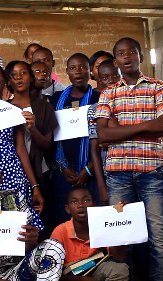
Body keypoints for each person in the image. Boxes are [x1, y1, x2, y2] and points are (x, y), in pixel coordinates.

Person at [95, 37, 163, 281]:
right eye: (121, 53)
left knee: (158, 237)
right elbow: (103, 133)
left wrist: (120, 128)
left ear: (141, 56)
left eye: (132, 52)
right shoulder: (109, 91)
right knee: (120, 239)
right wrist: (149, 124)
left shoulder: (158, 86)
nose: (127, 56)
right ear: (116, 60)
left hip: (151, 172)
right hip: (118, 174)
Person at [0, 61, 45, 229]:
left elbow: (20, 149)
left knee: (17, 229)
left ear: (5, 81)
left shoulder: (13, 109)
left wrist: (34, 186)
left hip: (13, 176)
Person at [49, 53, 105, 231]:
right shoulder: (56, 99)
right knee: (63, 219)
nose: (78, 72)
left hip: (92, 168)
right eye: (73, 68)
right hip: (64, 171)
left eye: (83, 67)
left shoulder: (99, 98)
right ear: (67, 72)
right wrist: (62, 167)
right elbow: (53, 136)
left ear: (90, 71)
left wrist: (88, 169)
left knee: (93, 220)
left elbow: (103, 138)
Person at [6, 60, 58, 239]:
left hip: (39, 173)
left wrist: (32, 128)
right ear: (9, 81)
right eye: (14, 75)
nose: (19, 78)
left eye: (24, 73)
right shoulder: (3, 108)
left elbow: (47, 144)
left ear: (31, 78)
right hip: (11, 174)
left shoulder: (44, 106)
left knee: (39, 222)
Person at [51, 185, 129, 281]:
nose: (80, 205)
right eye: (74, 202)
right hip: (68, 277)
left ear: (94, 205)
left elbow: (120, 257)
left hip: (96, 270)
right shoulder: (60, 231)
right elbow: (51, 272)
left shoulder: (103, 226)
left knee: (120, 269)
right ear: (68, 209)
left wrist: (120, 220)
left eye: (86, 200)